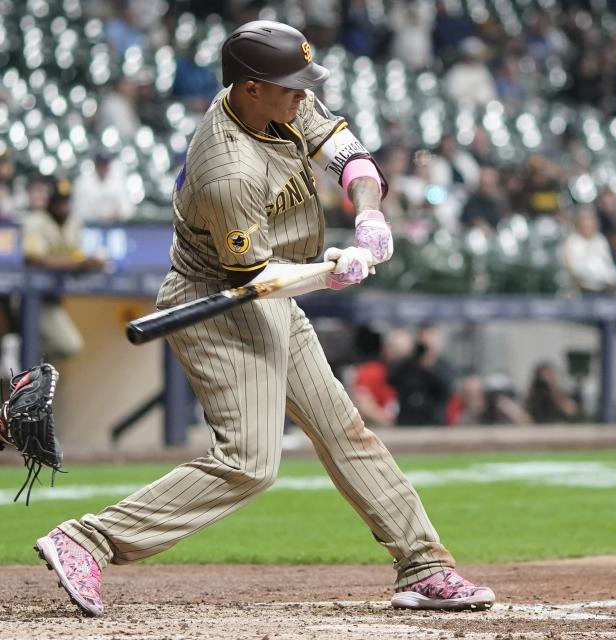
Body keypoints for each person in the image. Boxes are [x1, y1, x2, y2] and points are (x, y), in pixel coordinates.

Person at [34, 21, 494, 617]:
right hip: (217, 301)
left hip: (274, 290)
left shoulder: (278, 100)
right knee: (250, 463)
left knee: (343, 428)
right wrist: (334, 271)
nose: (303, 97)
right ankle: (87, 540)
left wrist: (369, 217)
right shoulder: (226, 170)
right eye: (291, 87)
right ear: (250, 88)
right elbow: (251, 276)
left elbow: (349, 157)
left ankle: (424, 565)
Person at [21, 179, 105, 359]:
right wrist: (79, 263)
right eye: (59, 202)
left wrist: (92, 263)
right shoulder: (35, 221)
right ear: (50, 202)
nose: (63, 206)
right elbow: (35, 259)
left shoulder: (73, 223)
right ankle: (17, 349)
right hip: (29, 299)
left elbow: (77, 257)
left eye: (66, 201)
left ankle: (23, 353)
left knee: (68, 347)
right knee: (67, 345)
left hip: (52, 299)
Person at [388, 324, 457, 426]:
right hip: (407, 420)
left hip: (434, 421)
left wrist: (430, 366)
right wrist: (409, 355)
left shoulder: (443, 365)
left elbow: (447, 387)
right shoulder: (408, 364)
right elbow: (391, 379)